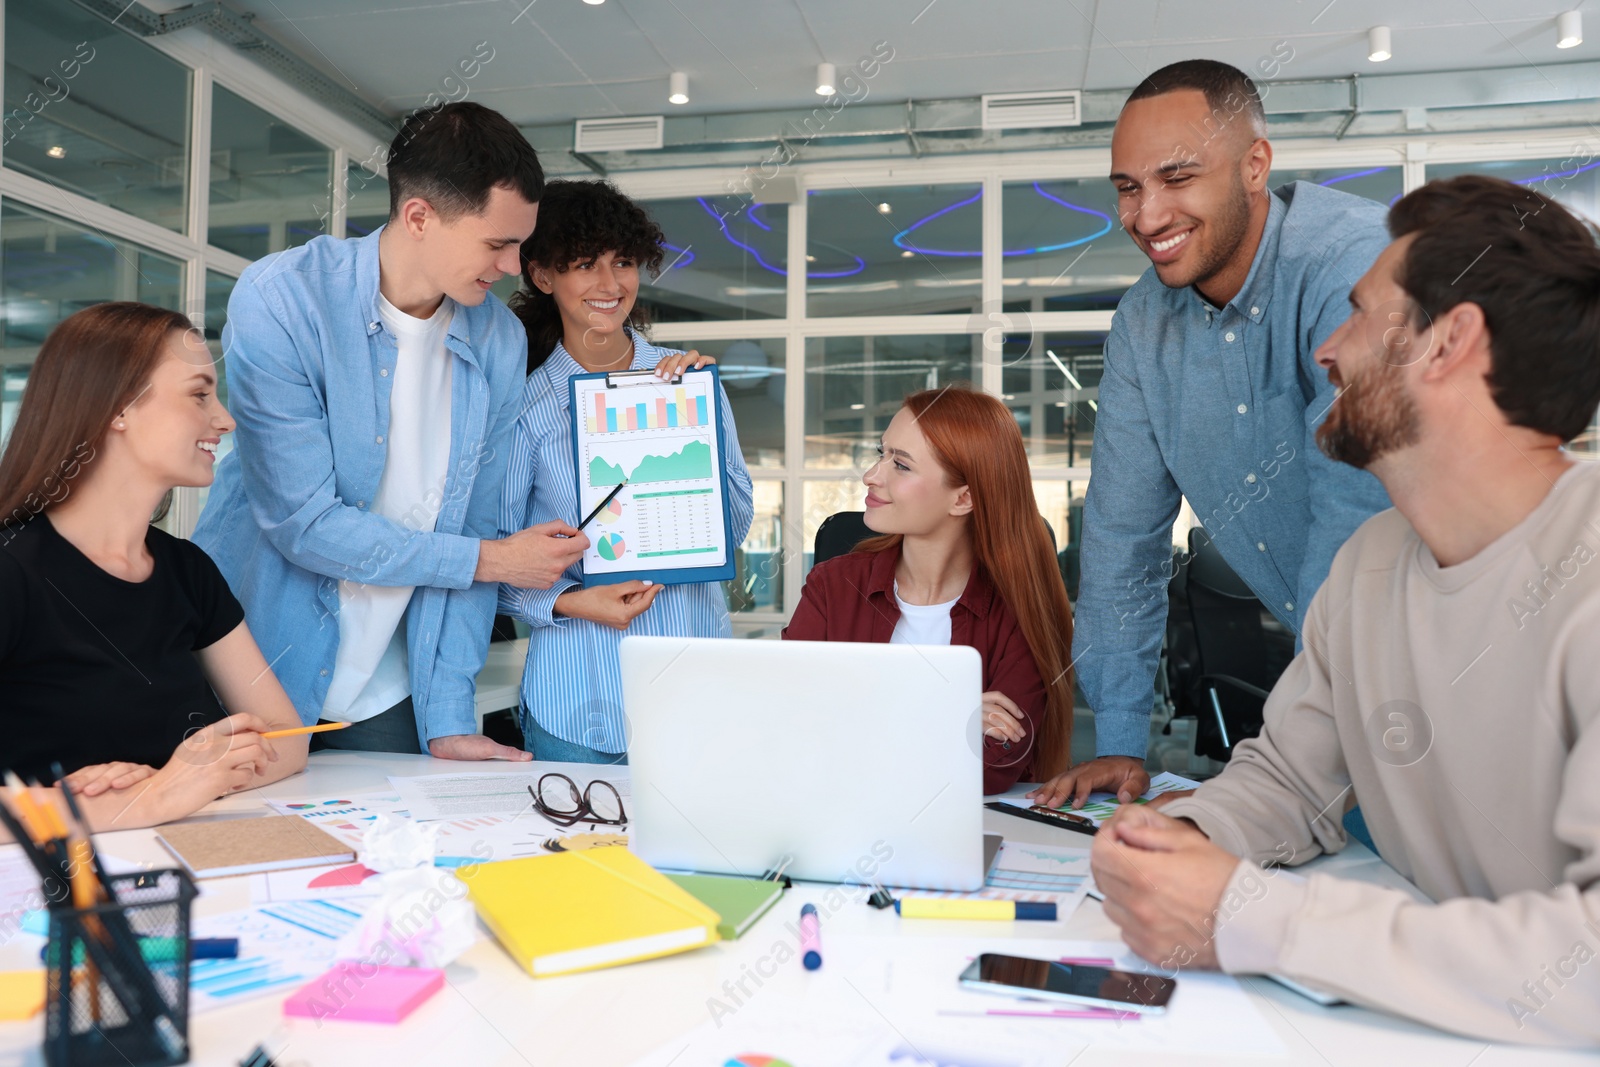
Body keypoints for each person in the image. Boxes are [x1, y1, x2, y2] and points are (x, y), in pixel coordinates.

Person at [1090, 175, 1600, 1046]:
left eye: (1360, 314)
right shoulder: (1369, 569)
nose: (1327, 349)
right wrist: (1173, 835)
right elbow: (1289, 783)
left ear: (1449, 343)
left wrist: (1253, 918)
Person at [1034, 59, 1393, 809]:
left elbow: (1353, 516)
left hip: (1447, 674)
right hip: (1333, 696)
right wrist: (1125, 743)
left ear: (1255, 165)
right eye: (1128, 188)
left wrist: (1284, 781)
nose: (1147, 215)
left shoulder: (1348, 269)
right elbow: (1122, 538)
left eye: (1177, 177)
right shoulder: (1143, 323)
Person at [194, 102, 586, 760]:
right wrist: (489, 560)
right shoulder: (284, 299)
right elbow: (303, 522)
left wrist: (452, 717)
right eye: (497, 243)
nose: (516, 267)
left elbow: (478, 526)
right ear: (419, 217)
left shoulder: (498, 340)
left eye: (521, 242)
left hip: (387, 691)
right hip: (250, 670)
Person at [0, 303, 307, 828]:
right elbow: (170, 790)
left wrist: (187, 778)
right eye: (198, 394)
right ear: (117, 406)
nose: (224, 419)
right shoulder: (12, 570)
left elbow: (287, 739)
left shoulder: (188, 569)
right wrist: (158, 795)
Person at [498, 179, 754, 763]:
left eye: (624, 263)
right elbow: (495, 560)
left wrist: (696, 421)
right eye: (585, 265)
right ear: (543, 276)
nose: (611, 285)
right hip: (579, 706)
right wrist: (569, 601)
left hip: (697, 700)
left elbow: (733, 527)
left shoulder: (692, 388)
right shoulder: (527, 411)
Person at [783, 386, 1074, 795]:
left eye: (900, 465)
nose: (872, 475)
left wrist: (852, 717)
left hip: (961, 835)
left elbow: (991, 765)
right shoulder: (832, 586)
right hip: (839, 816)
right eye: (881, 453)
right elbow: (788, 726)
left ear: (964, 498)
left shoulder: (1016, 610)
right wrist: (949, 715)